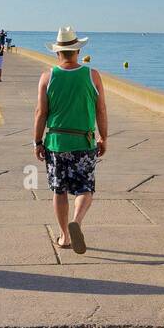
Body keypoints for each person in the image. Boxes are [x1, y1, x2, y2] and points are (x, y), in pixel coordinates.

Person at [35, 26, 108, 254]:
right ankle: (76, 220)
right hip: (84, 142)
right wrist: (103, 137)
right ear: (77, 51)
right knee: (85, 188)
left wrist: (37, 141)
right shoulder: (92, 75)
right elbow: (101, 110)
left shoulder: (48, 76)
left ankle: (65, 235)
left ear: (57, 53)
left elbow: (41, 112)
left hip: (56, 143)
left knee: (59, 191)